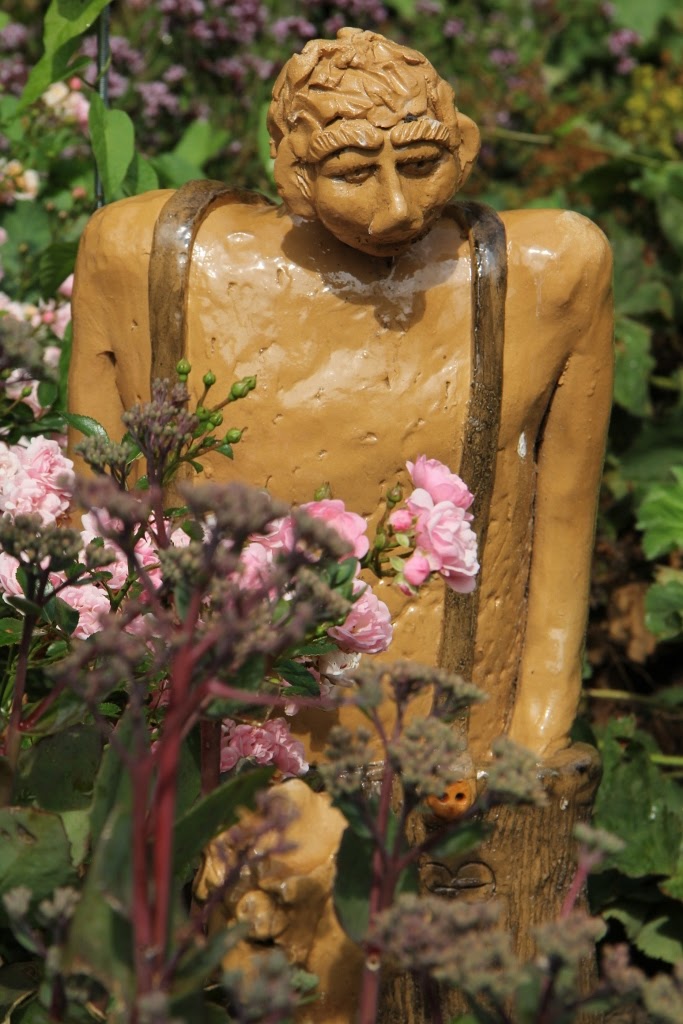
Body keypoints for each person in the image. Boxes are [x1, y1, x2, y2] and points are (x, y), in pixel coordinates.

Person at [70, 29, 612, 1019]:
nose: (398, 206)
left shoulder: (549, 273)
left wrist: (532, 747)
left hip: (447, 743)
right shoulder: (148, 257)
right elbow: (95, 522)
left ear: (463, 141)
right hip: (235, 734)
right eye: (356, 173)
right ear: (290, 170)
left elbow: (564, 521)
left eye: (424, 162)